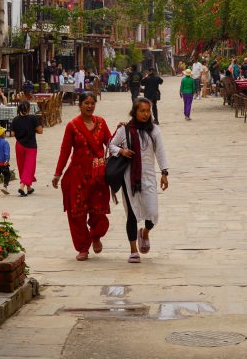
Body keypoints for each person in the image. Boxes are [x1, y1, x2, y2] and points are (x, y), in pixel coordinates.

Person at [52, 93, 112, 261]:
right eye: (86, 103)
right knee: (76, 213)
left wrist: (123, 134)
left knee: (98, 210)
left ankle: (96, 235)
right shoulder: (73, 126)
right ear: (80, 105)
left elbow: (110, 142)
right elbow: (65, 151)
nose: (90, 106)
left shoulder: (101, 122)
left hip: (98, 175)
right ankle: (82, 247)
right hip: (77, 175)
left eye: (92, 103)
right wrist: (58, 173)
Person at [109, 97, 169, 263]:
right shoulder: (125, 130)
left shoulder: (154, 130)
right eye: (141, 111)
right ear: (135, 112)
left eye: (147, 111)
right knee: (132, 214)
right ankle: (133, 250)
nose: (145, 114)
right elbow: (111, 145)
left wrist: (164, 173)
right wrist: (122, 151)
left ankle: (145, 232)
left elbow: (161, 151)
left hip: (148, 176)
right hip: (129, 178)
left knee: (153, 212)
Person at [11, 101, 43, 196]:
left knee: (22, 166)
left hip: (19, 145)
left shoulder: (15, 119)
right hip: (31, 146)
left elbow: (12, 134)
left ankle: (29, 188)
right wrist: (32, 130)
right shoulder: (33, 118)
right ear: (29, 109)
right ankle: (22, 186)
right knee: (29, 167)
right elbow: (40, 131)